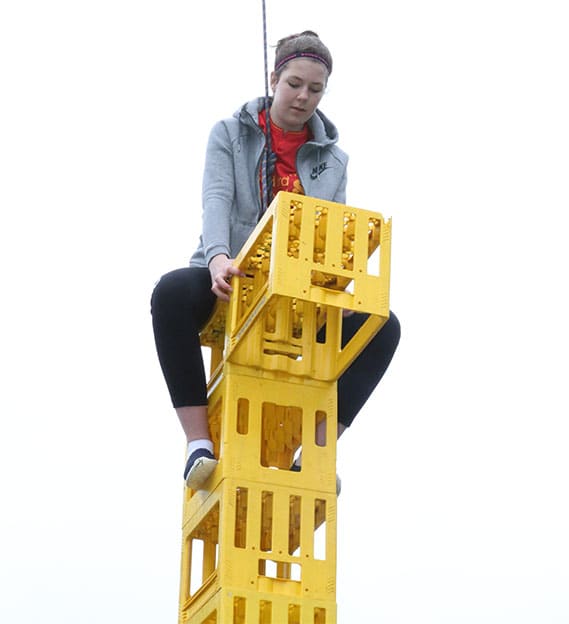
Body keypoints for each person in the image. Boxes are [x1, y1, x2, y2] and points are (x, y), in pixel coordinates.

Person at [151, 31, 400, 491]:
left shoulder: (334, 161)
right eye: (294, 84)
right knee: (170, 293)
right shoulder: (229, 133)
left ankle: (318, 450)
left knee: (383, 326)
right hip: (231, 280)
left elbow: (331, 225)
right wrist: (218, 259)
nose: (303, 96)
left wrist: (338, 286)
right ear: (274, 80)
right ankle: (198, 443)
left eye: (316, 89)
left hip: (296, 294)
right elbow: (216, 198)